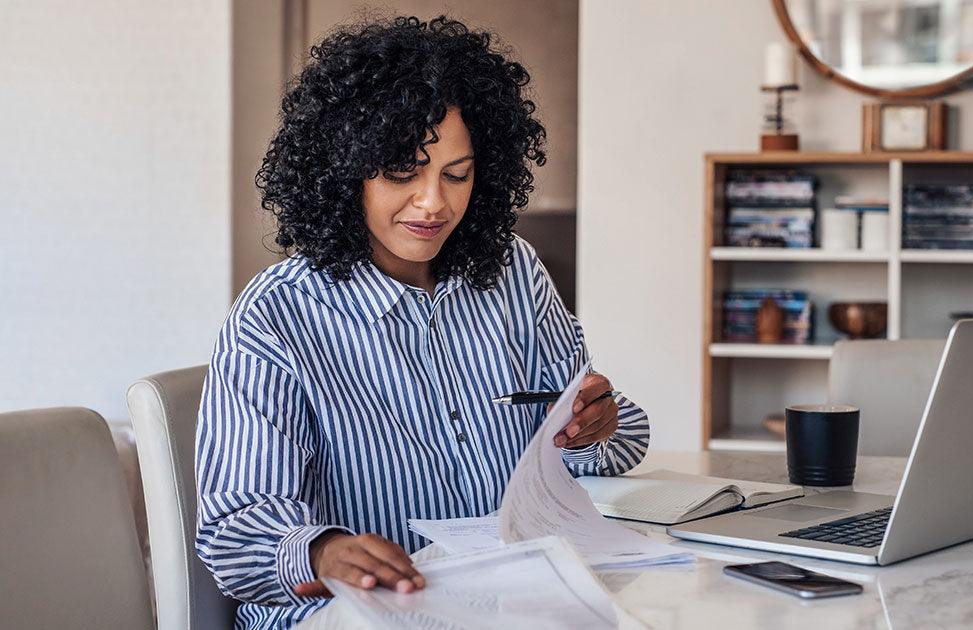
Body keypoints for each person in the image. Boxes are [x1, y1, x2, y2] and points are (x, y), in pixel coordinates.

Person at [194, 16, 649, 629]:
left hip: (507, 594)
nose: (434, 202)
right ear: (343, 172)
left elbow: (597, 451)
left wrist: (596, 426)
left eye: (456, 175)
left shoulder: (513, 271)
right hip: (352, 613)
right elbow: (234, 532)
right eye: (402, 173)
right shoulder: (277, 314)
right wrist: (323, 551)